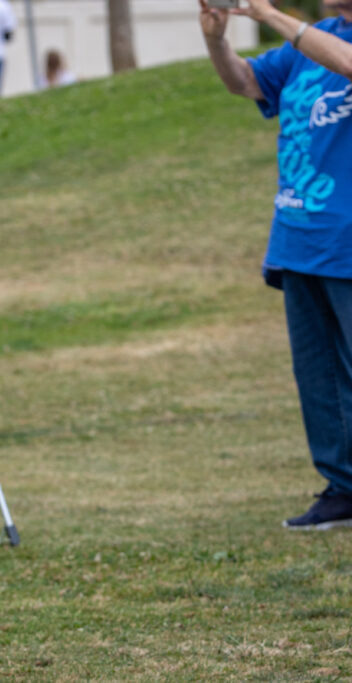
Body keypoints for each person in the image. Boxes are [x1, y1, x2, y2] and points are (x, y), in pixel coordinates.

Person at [199, 0, 352, 529]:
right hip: (299, 236)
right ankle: (343, 488)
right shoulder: (310, 41)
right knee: (320, 377)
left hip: (348, 239)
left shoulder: (316, 39)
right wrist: (218, 39)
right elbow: (245, 82)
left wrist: (269, 14)